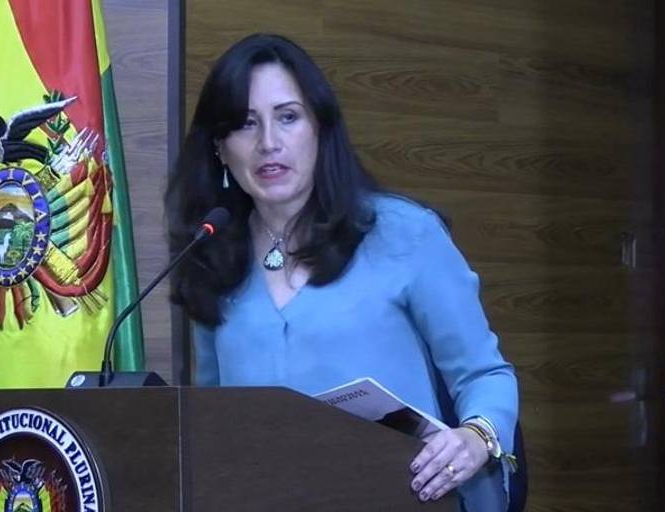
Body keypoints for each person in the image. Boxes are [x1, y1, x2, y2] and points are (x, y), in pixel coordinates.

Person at [165, 33, 518, 510]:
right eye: (246, 124)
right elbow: (214, 420)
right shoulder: (211, 254)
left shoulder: (403, 233)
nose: (269, 143)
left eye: (288, 117)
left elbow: (485, 374)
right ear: (220, 149)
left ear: (320, 128)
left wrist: (477, 436)